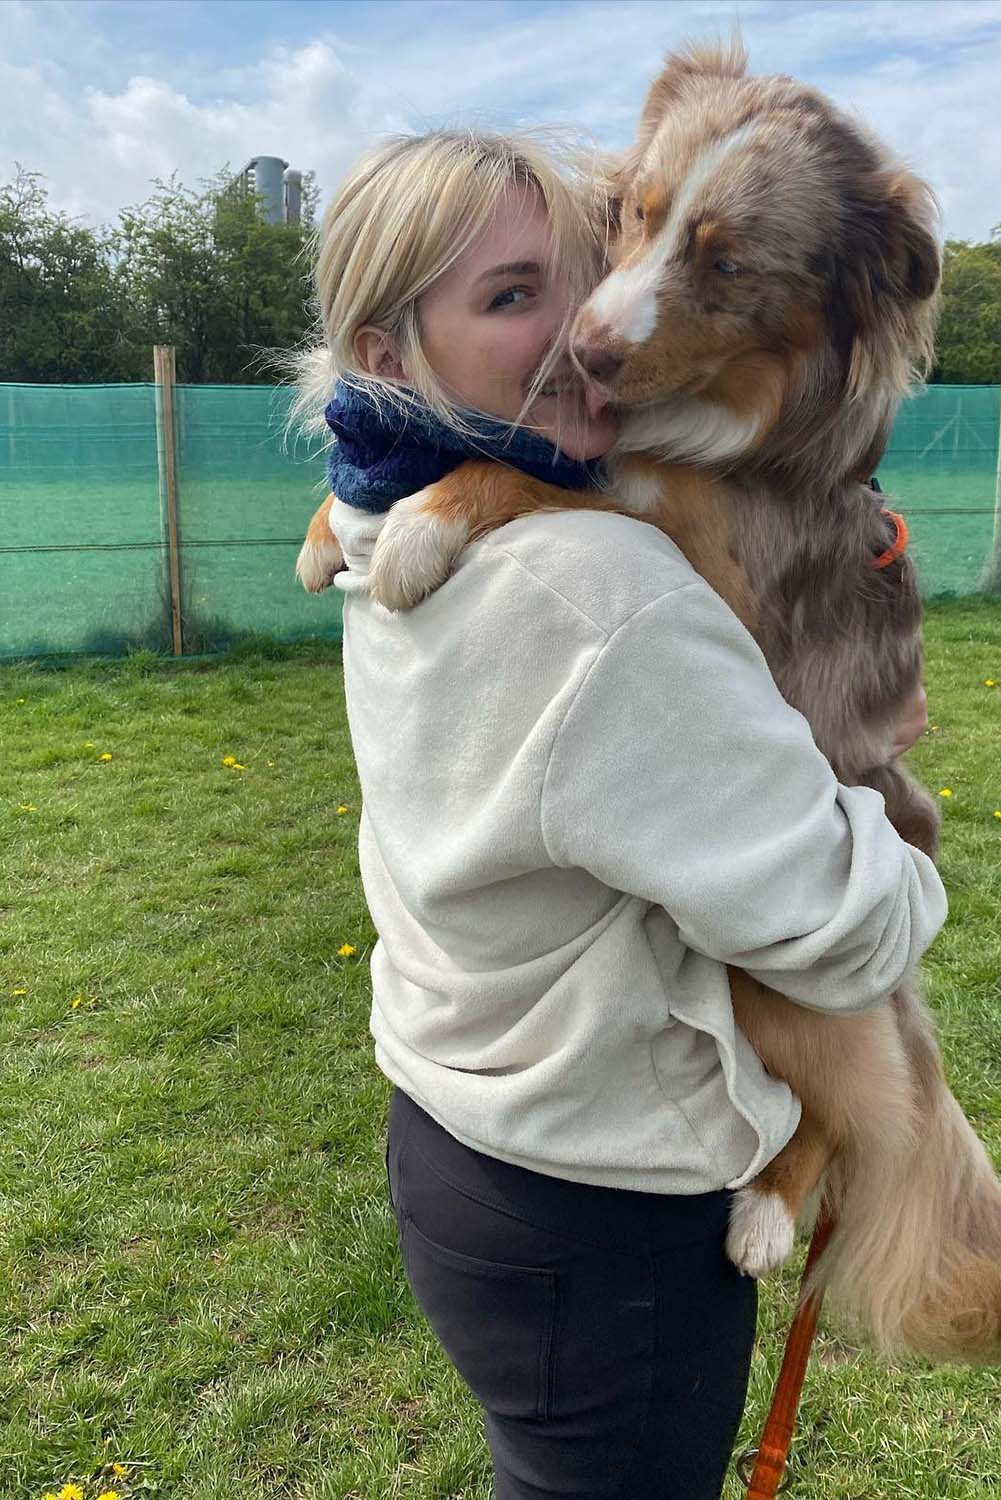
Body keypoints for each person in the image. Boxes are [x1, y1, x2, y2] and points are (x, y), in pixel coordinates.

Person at [290, 129, 946, 1500]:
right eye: (512, 297)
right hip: (606, 1201)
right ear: (385, 354)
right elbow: (848, 933)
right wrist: (891, 822)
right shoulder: (598, 594)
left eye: (580, 276)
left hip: (454, 1122)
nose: (586, 332)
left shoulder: (376, 513)